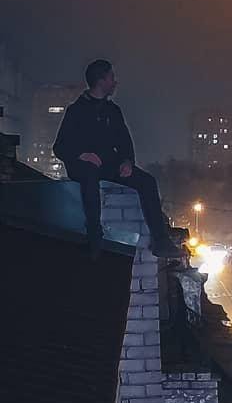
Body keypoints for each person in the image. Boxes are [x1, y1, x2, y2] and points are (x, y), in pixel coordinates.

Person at [53, 59, 183, 259]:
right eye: (111, 77)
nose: (115, 82)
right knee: (89, 177)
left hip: (108, 164)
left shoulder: (112, 111)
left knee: (147, 182)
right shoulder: (77, 110)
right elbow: (60, 147)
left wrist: (127, 162)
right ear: (101, 81)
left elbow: (124, 142)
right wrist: (82, 155)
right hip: (83, 166)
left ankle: (161, 241)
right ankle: (94, 235)